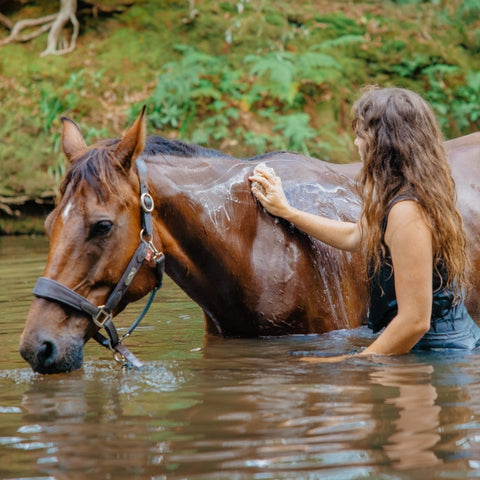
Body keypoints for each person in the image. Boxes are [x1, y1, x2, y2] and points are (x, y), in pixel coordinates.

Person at [249, 86, 480, 362]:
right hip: (424, 350)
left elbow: (415, 322)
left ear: (381, 142)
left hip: (442, 359)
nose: (357, 143)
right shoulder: (403, 194)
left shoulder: (408, 212)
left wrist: (351, 362)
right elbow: (355, 235)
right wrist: (287, 211)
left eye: (360, 134)